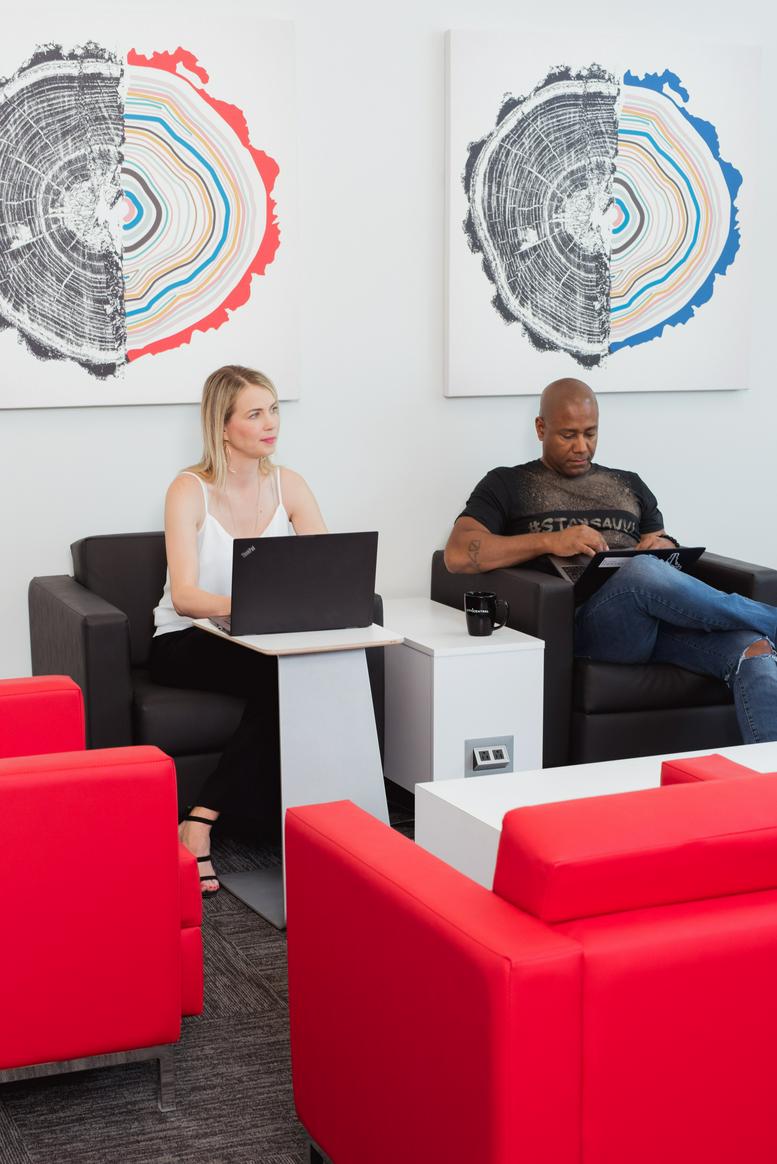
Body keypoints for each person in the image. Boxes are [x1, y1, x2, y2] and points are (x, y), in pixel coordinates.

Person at [444, 377, 777, 744]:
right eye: (568, 435)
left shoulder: (629, 484)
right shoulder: (507, 484)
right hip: (590, 628)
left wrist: (664, 543)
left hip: (657, 622)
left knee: (755, 649)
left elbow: (662, 551)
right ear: (540, 428)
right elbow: (458, 554)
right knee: (641, 571)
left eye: (590, 433)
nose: (581, 446)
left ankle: (767, 774)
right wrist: (551, 540)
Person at [151, 365, 327, 892]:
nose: (271, 423)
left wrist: (298, 604)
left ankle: (319, 825)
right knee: (280, 678)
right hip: (186, 638)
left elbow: (328, 566)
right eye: (254, 414)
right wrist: (253, 606)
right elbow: (185, 597)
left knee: (307, 672)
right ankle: (199, 822)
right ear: (223, 427)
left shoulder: (289, 484)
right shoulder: (188, 490)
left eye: (273, 410)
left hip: (260, 637)